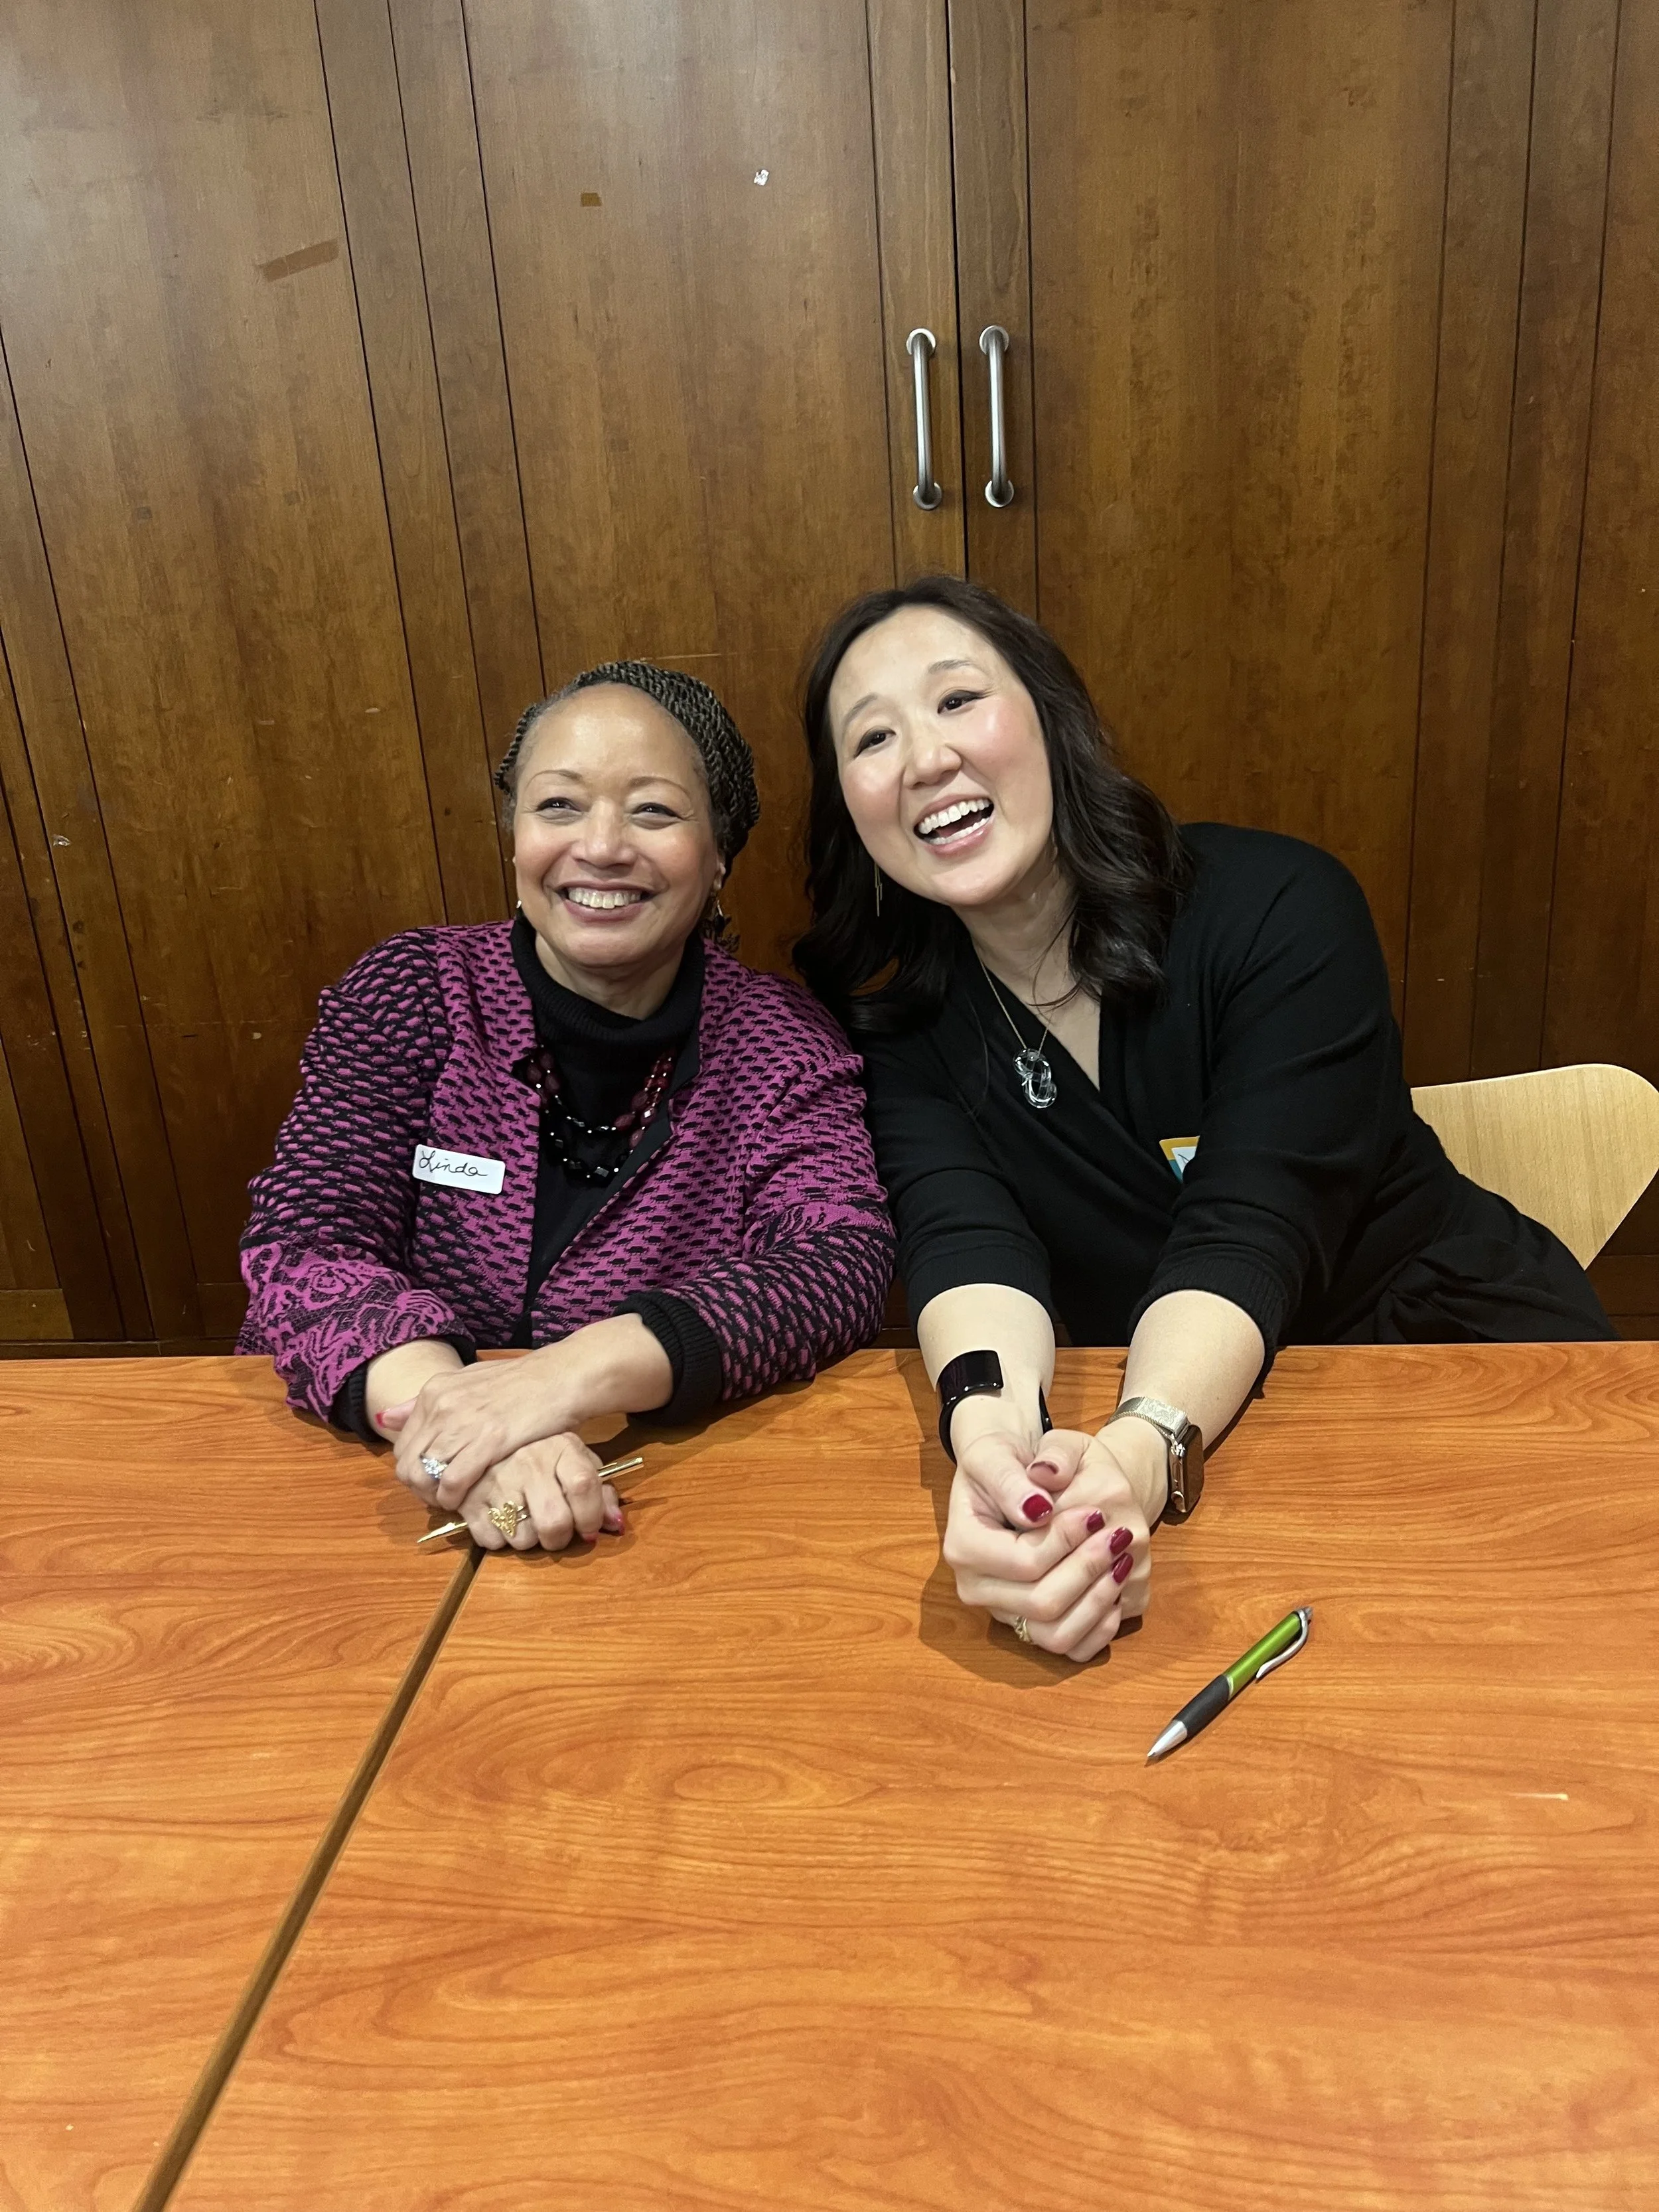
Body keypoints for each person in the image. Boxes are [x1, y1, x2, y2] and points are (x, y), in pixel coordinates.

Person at [794, 576, 1613, 1662]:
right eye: (872, 738)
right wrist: (992, 1446)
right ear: (850, 802)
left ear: (1053, 716)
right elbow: (967, 1244)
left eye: (957, 702)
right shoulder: (902, 1026)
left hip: (1435, 1369)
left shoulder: (1277, 907)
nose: (926, 759)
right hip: (1173, 1441)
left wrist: (1144, 1449)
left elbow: (1249, 1229)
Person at [240, 660, 893, 1549]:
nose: (602, 846)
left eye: (654, 810)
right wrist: (469, 1426)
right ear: (514, 838)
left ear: (718, 856)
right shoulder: (408, 992)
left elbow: (834, 1259)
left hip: (648, 1504)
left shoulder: (781, 1040)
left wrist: (568, 1380)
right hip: (372, 1484)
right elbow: (310, 1241)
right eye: (559, 806)